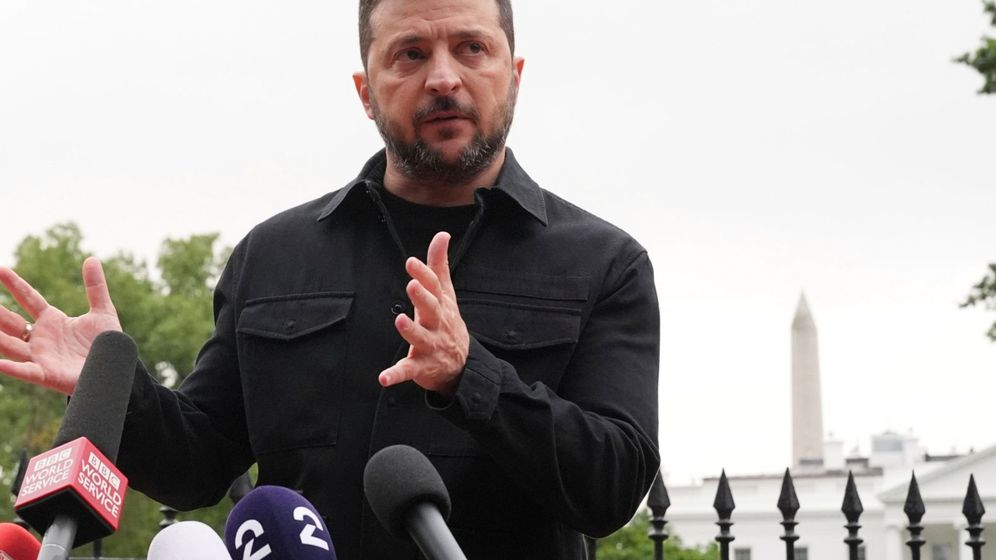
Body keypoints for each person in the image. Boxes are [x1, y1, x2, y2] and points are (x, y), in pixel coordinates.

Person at [0, 0, 660, 558]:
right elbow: (196, 465)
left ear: (513, 75)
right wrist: (113, 390)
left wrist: (471, 376)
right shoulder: (274, 255)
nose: (442, 77)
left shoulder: (603, 263)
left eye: (471, 48)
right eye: (409, 54)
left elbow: (611, 486)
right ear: (364, 88)